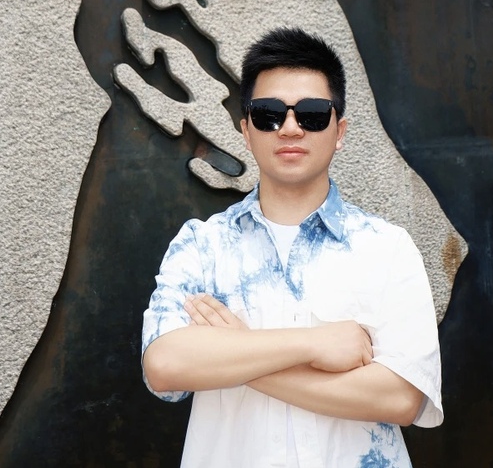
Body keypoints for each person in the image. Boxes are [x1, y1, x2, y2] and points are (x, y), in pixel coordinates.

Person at [141, 27, 443, 467]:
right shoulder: (203, 245)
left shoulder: (386, 248)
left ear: (339, 131)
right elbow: (165, 365)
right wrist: (313, 344)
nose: (289, 128)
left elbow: (400, 398)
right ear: (246, 131)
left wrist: (238, 350)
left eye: (312, 114)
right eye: (268, 114)